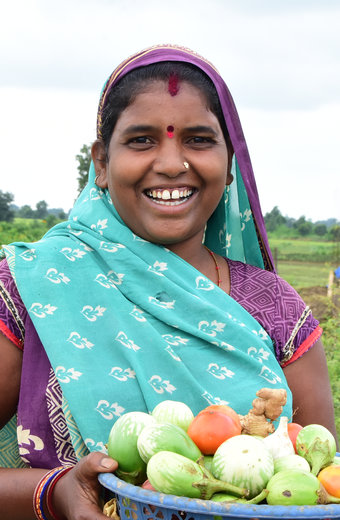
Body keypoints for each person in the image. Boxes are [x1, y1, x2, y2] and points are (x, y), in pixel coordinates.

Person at [0, 44, 337, 519]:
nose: (172, 163)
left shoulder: (274, 307)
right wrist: (54, 492)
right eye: (141, 140)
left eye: (198, 139)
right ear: (100, 162)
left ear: (230, 161)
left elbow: (319, 487)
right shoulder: (31, 286)